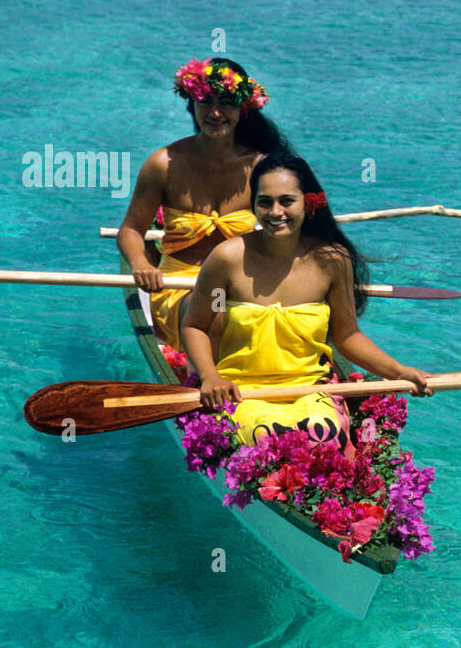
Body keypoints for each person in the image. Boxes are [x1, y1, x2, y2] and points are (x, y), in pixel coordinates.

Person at [180, 152, 432, 447]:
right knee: (268, 437)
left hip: (311, 392)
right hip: (242, 393)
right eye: (265, 202)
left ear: (308, 202)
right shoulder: (228, 257)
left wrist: (399, 371)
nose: (275, 212)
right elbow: (195, 324)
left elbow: (348, 336)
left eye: (287, 201)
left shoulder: (333, 260)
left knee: (324, 438)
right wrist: (210, 376)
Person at [116, 56, 292, 349]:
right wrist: (139, 263)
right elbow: (132, 230)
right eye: (205, 102)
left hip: (243, 284)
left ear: (243, 107)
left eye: (225, 102)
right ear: (191, 105)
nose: (215, 113)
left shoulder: (262, 167)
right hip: (179, 287)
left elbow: (288, 230)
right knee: (217, 312)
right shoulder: (163, 164)